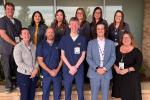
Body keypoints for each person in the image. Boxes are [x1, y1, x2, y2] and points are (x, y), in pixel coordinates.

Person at [59, 17, 87, 100]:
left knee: (80, 92)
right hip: (67, 70)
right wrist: (71, 67)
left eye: (76, 24)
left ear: (78, 26)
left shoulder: (82, 39)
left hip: (79, 69)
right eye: (72, 24)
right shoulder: (64, 39)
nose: (74, 26)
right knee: (67, 92)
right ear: (69, 26)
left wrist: (75, 67)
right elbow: (62, 55)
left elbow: (83, 55)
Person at [86, 22, 116, 100]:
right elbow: (88, 58)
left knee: (105, 96)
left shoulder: (111, 43)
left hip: (106, 73)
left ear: (105, 30)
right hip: (94, 73)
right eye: (98, 29)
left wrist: (105, 68)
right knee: (94, 96)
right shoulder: (91, 43)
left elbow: (113, 58)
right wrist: (97, 68)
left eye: (102, 28)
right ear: (96, 31)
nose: (100, 30)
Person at [112, 33, 143, 100]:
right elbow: (112, 60)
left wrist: (127, 70)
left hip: (131, 79)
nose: (126, 39)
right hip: (119, 77)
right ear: (121, 39)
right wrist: (116, 67)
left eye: (128, 37)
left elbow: (138, 65)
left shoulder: (137, 51)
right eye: (124, 37)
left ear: (131, 39)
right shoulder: (116, 48)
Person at [0, 2, 22, 93]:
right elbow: (2, 34)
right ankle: (9, 86)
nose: (10, 11)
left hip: (17, 48)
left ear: (14, 10)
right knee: (7, 67)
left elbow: (19, 35)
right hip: (6, 49)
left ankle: (17, 83)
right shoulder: (2, 20)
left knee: (17, 66)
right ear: (5, 10)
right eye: (8, 9)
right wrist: (14, 44)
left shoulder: (18, 22)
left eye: (11, 9)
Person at [36, 27, 62, 100]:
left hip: (57, 73)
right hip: (46, 74)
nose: (50, 34)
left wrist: (57, 70)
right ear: (46, 34)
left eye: (52, 32)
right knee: (45, 93)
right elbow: (40, 61)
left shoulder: (59, 44)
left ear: (54, 34)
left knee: (57, 94)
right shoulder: (41, 45)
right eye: (49, 32)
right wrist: (50, 71)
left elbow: (62, 58)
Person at [13, 28, 39, 100]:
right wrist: (32, 70)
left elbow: (37, 59)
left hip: (34, 75)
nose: (27, 35)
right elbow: (18, 62)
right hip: (23, 76)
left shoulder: (34, 46)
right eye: (24, 33)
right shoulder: (18, 47)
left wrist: (36, 69)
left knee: (31, 96)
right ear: (21, 36)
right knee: (25, 97)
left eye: (28, 33)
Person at [75, 7, 91, 83]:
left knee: (84, 64)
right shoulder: (74, 23)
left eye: (81, 13)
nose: (79, 14)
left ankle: (85, 81)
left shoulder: (86, 24)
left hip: (83, 47)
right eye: (78, 13)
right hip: (75, 48)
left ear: (83, 14)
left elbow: (87, 37)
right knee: (76, 62)